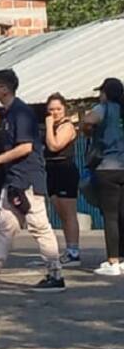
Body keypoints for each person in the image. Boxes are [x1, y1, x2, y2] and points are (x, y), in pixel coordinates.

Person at [0, 69, 65, 293]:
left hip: (27, 179)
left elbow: (26, 147)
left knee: (39, 227)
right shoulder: (10, 113)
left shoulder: (21, 113)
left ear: (5, 88)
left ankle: (55, 274)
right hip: (15, 180)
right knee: (6, 227)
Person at [83, 77, 124, 276]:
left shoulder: (104, 109)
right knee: (123, 214)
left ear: (106, 93)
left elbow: (88, 120)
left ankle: (113, 261)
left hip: (107, 167)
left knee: (111, 216)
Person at [43, 93, 81, 267]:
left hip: (65, 169)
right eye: (51, 109)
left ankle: (73, 251)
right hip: (51, 170)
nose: (55, 112)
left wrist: (49, 126)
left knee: (68, 213)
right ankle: (68, 249)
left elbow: (55, 145)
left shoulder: (66, 126)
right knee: (59, 211)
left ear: (64, 109)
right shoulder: (51, 126)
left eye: (58, 109)